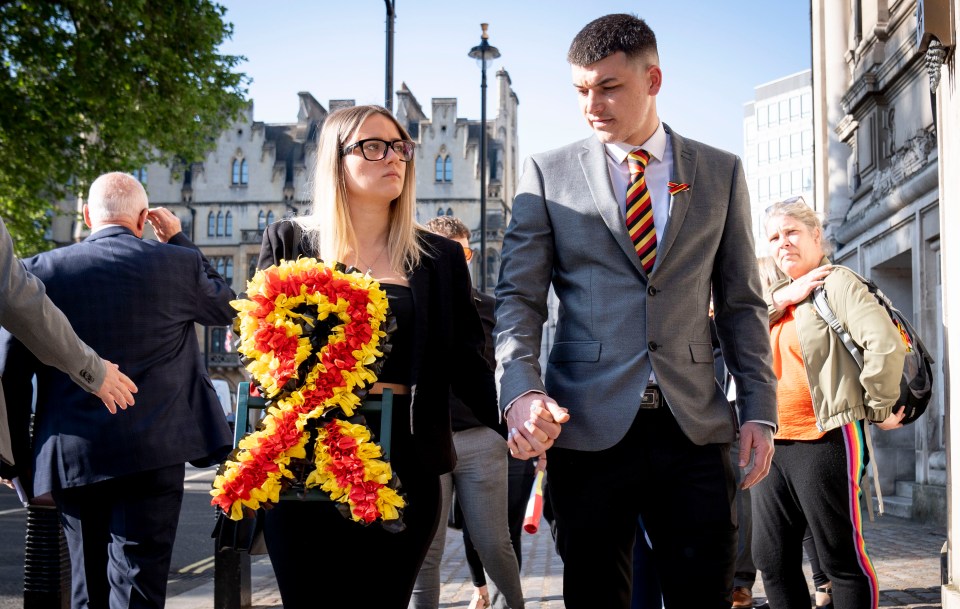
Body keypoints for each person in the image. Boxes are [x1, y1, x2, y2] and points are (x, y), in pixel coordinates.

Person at [493, 14, 778, 609]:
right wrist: (520, 391)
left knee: (704, 594)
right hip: (588, 428)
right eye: (580, 90)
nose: (592, 105)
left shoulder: (720, 172)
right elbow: (519, 301)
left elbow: (742, 303)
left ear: (654, 79)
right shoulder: (549, 173)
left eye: (609, 87)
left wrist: (759, 410)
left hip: (695, 427)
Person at [257, 105, 501, 609]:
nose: (393, 157)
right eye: (373, 146)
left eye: (400, 147)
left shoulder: (439, 257)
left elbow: (470, 362)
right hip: (306, 457)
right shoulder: (290, 240)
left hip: (406, 458)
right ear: (336, 159)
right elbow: (263, 352)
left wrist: (516, 418)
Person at [0, 172, 236, 608]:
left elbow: (12, 373)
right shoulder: (177, 266)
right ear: (145, 218)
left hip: (72, 453)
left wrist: (15, 459)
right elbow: (228, 306)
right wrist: (181, 240)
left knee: (87, 589)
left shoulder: (40, 271)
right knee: (140, 588)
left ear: (87, 215)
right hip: (156, 450)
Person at [752, 197, 906, 609]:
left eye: (792, 232)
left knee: (840, 558)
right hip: (771, 443)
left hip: (823, 438)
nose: (783, 243)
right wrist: (784, 297)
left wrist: (877, 407)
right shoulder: (776, 298)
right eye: (774, 237)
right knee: (772, 560)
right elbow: (736, 328)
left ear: (815, 235)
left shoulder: (837, 282)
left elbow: (885, 345)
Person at [410, 216, 524, 609]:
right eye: (445, 251)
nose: (455, 261)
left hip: (480, 438)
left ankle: (514, 604)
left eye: (463, 252)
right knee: (426, 549)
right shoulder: (410, 302)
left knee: (495, 543)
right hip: (426, 437)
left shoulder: (491, 309)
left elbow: (512, 367)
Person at [0, 216, 138, 485]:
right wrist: (94, 370)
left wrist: (14, 452)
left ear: (87, 214)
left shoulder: (42, 264)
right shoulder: (180, 262)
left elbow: (10, 365)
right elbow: (15, 298)